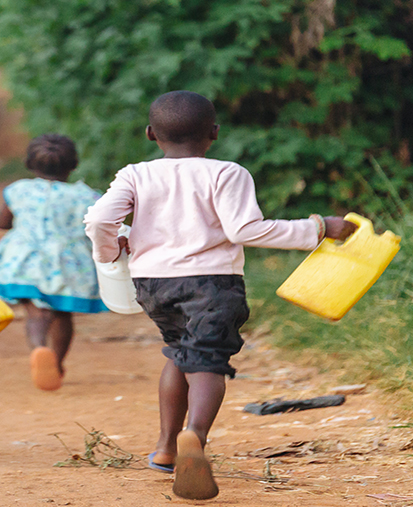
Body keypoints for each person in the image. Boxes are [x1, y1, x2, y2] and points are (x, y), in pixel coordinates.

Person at [83, 91, 357, 500]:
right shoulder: (227, 172)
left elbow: (100, 219)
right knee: (208, 358)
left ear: (150, 134)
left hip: (153, 285)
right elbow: (245, 230)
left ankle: (164, 448)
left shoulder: (135, 174)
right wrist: (318, 227)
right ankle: (194, 436)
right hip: (212, 284)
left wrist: (111, 253)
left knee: (179, 352)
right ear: (214, 133)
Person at [0, 134, 105, 392]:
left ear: (29, 163)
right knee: (62, 313)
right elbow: (99, 227)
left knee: (36, 310)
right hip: (68, 264)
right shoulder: (85, 196)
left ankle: (39, 348)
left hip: (25, 261)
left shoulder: (20, 190)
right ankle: (55, 361)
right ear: (74, 164)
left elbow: (2, 222)